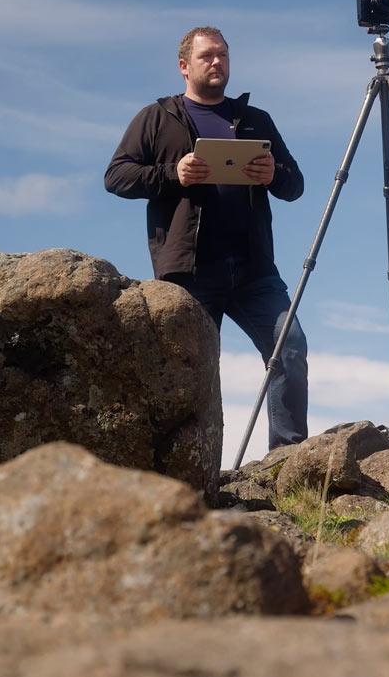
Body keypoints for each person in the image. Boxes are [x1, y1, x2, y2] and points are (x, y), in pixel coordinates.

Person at [105, 27, 308, 450]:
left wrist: (274, 175)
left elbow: (295, 185)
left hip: (253, 269)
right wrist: (171, 173)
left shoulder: (255, 120)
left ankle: (288, 464)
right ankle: (196, 475)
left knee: (289, 348)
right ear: (184, 66)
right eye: (207, 56)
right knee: (194, 371)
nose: (217, 62)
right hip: (190, 272)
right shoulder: (157, 117)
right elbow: (117, 176)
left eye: (223, 55)